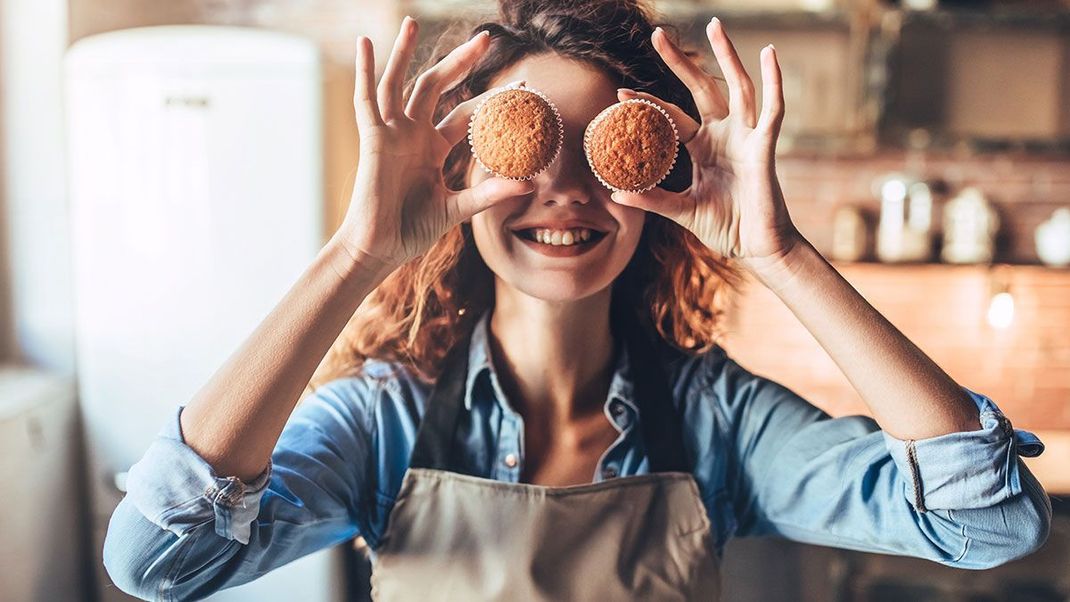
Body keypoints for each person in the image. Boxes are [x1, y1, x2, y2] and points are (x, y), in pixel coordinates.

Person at [103, 1, 1051, 600]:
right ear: (461, 174)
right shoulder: (384, 424)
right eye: (528, 150)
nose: (565, 193)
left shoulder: (716, 422)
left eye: (600, 153)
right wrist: (358, 254)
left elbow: (988, 524)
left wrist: (781, 251)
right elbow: (157, 563)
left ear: (653, 186)